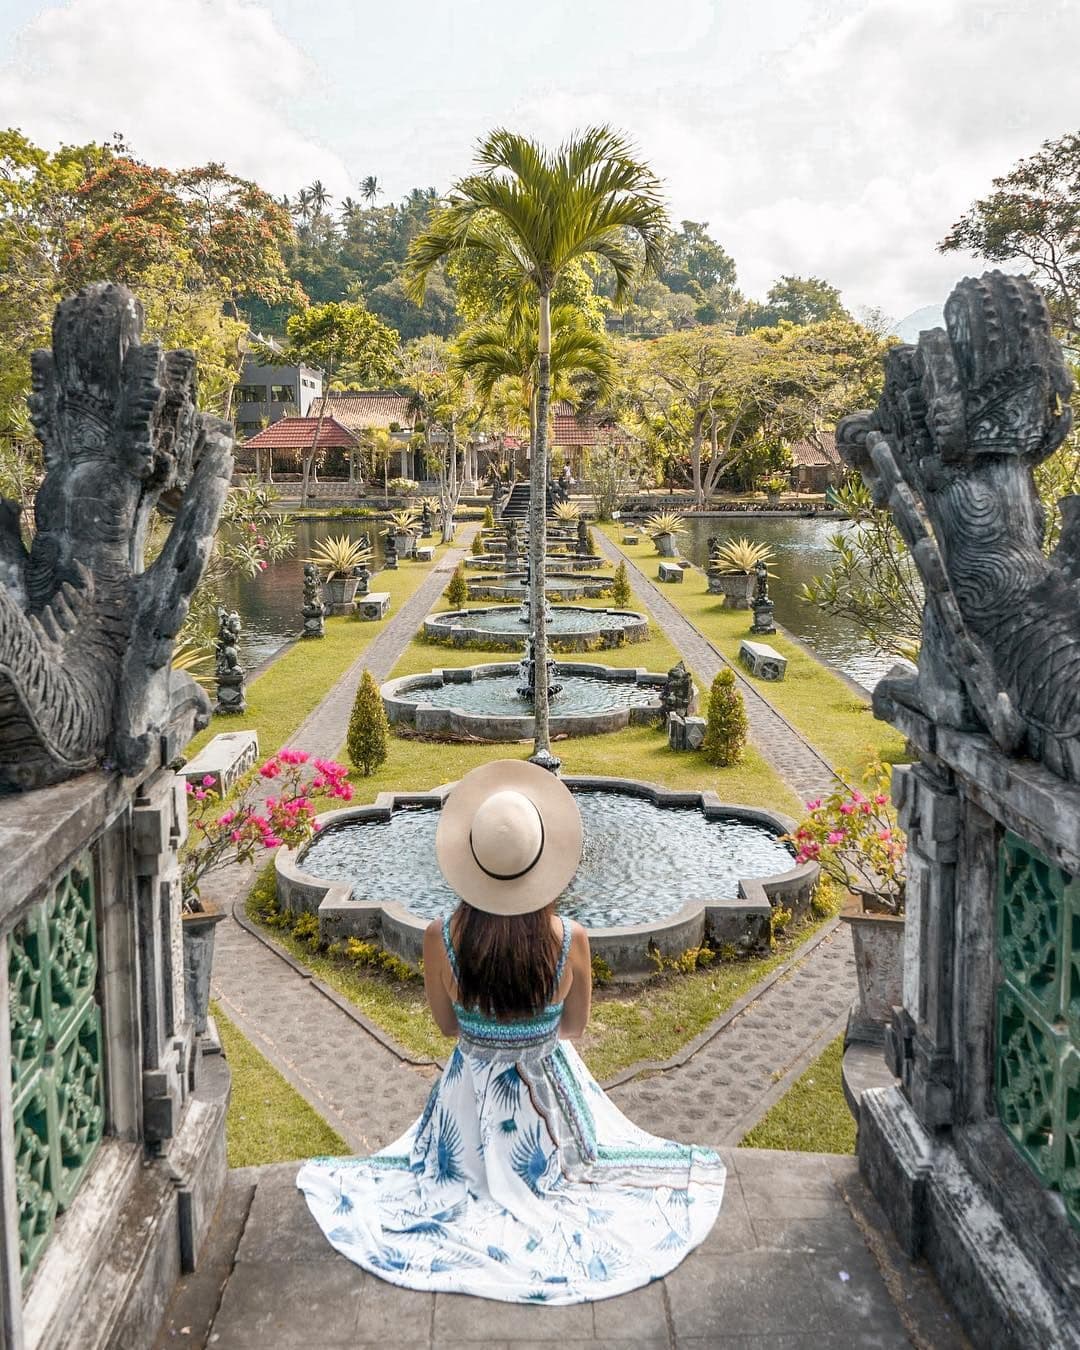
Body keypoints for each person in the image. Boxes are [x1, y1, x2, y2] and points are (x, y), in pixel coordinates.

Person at [297, 760, 726, 1304]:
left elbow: (448, 1025)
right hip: (545, 1112)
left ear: (471, 859)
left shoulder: (439, 938)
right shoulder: (571, 938)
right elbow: (574, 1027)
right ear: (543, 859)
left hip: (465, 1107)